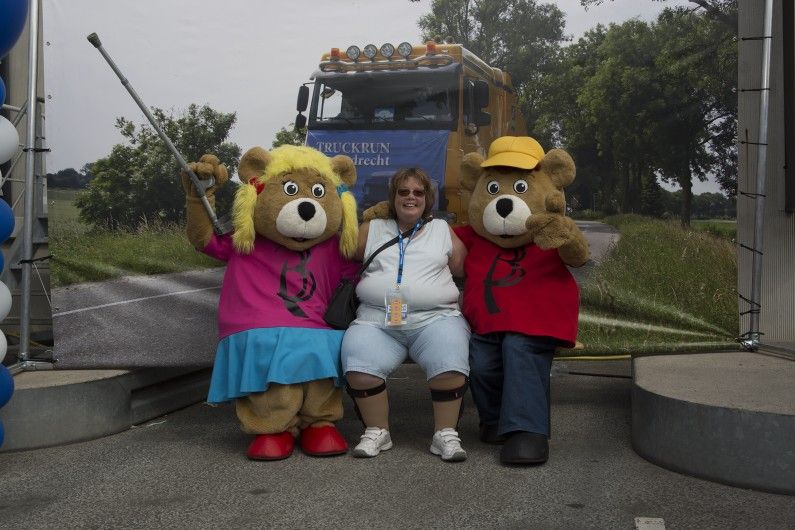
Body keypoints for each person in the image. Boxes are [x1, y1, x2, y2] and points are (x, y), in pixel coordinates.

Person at [341, 168, 470, 462]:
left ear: (427, 199)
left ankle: (445, 433)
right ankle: (377, 431)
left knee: (449, 362)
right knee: (359, 365)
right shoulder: (371, 229)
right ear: (392, 197)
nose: (411, 197)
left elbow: (463, 267)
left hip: (435, 318)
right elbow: (342, 253)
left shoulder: (441, 230)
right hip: (376, 320)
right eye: (403, 192)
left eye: (418, 192)